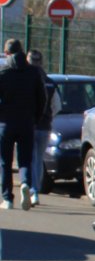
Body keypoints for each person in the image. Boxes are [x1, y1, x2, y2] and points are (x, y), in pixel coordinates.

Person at [0, 38, 47, 210]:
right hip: (27, 123)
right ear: (22, 51)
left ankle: (8, 199)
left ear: (6, 53)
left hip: (5, 123)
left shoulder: (3, 72)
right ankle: (26, 183)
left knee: (5, 161)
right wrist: (36, 117)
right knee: (25, 160)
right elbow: (42, 98)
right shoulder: (33, 73)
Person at [28, 50, 59, 201]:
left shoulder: (27, 80)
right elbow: (57, 106)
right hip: (45, 125)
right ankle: (36, 190)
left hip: (30, 124)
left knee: (31, 158)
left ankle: (32, 189)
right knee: (39, 159)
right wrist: (49, 116)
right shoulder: (50, 82)